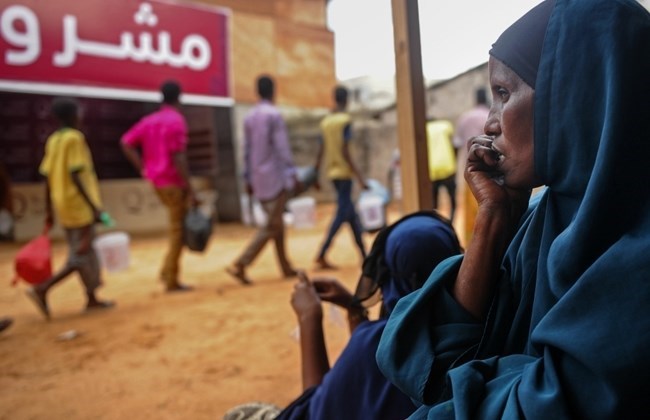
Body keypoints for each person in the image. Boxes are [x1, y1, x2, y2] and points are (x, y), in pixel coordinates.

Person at [376, 0, 650, 418]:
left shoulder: (639, 259)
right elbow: (436, 370)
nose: (490, 122)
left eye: (504, 93)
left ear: (579, 95)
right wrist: (493, 219)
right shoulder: (542, 221)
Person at [276, 211, 462, 420]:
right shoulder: (474, 329)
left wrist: (309, 318)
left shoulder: (383, 344)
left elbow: (314, 410)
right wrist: (354, 310)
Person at [26, 97, 114, 320]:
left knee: (87, 252)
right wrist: (94, 207)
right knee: (81, 254)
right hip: (79, 205)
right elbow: (76, 174)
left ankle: (92, 298)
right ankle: (43, 288)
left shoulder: (53, 140)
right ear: (74, 115)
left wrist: (49, 209)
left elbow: (46, 176)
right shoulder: (75, 139)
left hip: (62, 203)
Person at [121, 80, 197, 293]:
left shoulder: (150, 121)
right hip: (173, 182)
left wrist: (144, 168)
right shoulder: (176, 121)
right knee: (177, 231)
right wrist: (191, 189)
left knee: (176, 228)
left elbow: (126, 142)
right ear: (179, 97)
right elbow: (179, 158)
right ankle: (171, 278)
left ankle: (167, 271)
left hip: (158, 181)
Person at [225, 75, 300, 285]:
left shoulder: (249, 117)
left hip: (258, 178)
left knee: (276, 224)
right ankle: (241, 263)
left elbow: (246, 151)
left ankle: (285, 266)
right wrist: (293, 173)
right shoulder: (274, 115)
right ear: (273, 90)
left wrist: (247, 178)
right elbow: (282, 148)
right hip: (276, 178)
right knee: (271, 225)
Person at [313, 86, 368, 270]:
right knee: (342, 214)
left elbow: (320, 150)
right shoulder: (345, 121)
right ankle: (322, 253)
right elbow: (345, 151)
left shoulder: (326, 122)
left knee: (350, 215)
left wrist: (315, 173)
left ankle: (365, 255)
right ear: (347, 100)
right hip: (344, 173)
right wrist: (359, 176)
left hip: (331, 173)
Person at [453, 88, 490, 244]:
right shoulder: (490, 115)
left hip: (470, 172)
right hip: (490, 171)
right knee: (488, 208)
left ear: (475, 99)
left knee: (470, 213)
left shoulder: (465, 118)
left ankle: (471, 245)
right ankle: (488, 241)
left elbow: (456, 144)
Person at [426, 118, 458, 222]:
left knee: (433, 201)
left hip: (432, 169)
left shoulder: (424, 128)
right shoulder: (445, 125)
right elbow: (454, 145)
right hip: (447, 166)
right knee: (452, 199)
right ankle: (451, 222)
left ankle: (435, 221)